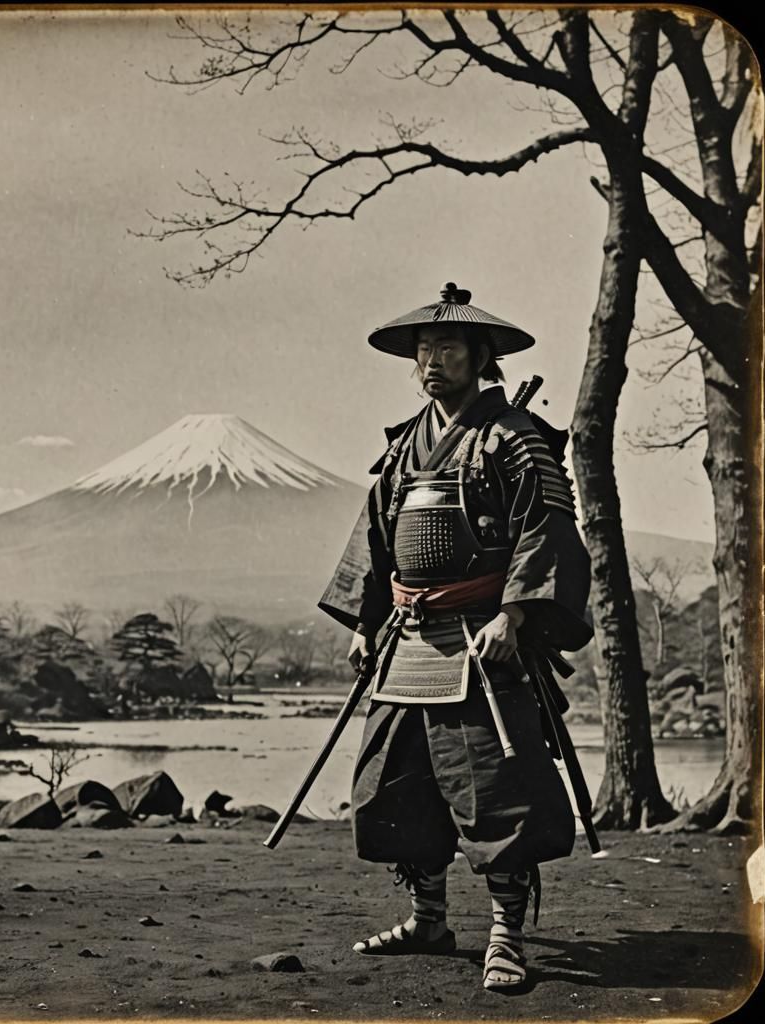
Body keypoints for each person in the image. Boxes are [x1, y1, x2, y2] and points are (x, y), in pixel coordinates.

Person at [318, 282, 593, 991]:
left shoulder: (513, 438)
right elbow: (377, 538)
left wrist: (516, 614)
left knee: (495, 785)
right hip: (408, 642)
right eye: (423, 350)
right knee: (392, 780)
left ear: (480, 356)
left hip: (483, 639)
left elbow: (548, 529)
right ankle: (429, 918)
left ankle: (506, 934)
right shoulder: (403, 448)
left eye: (446, 347)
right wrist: (366, 622)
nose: (431, 361)